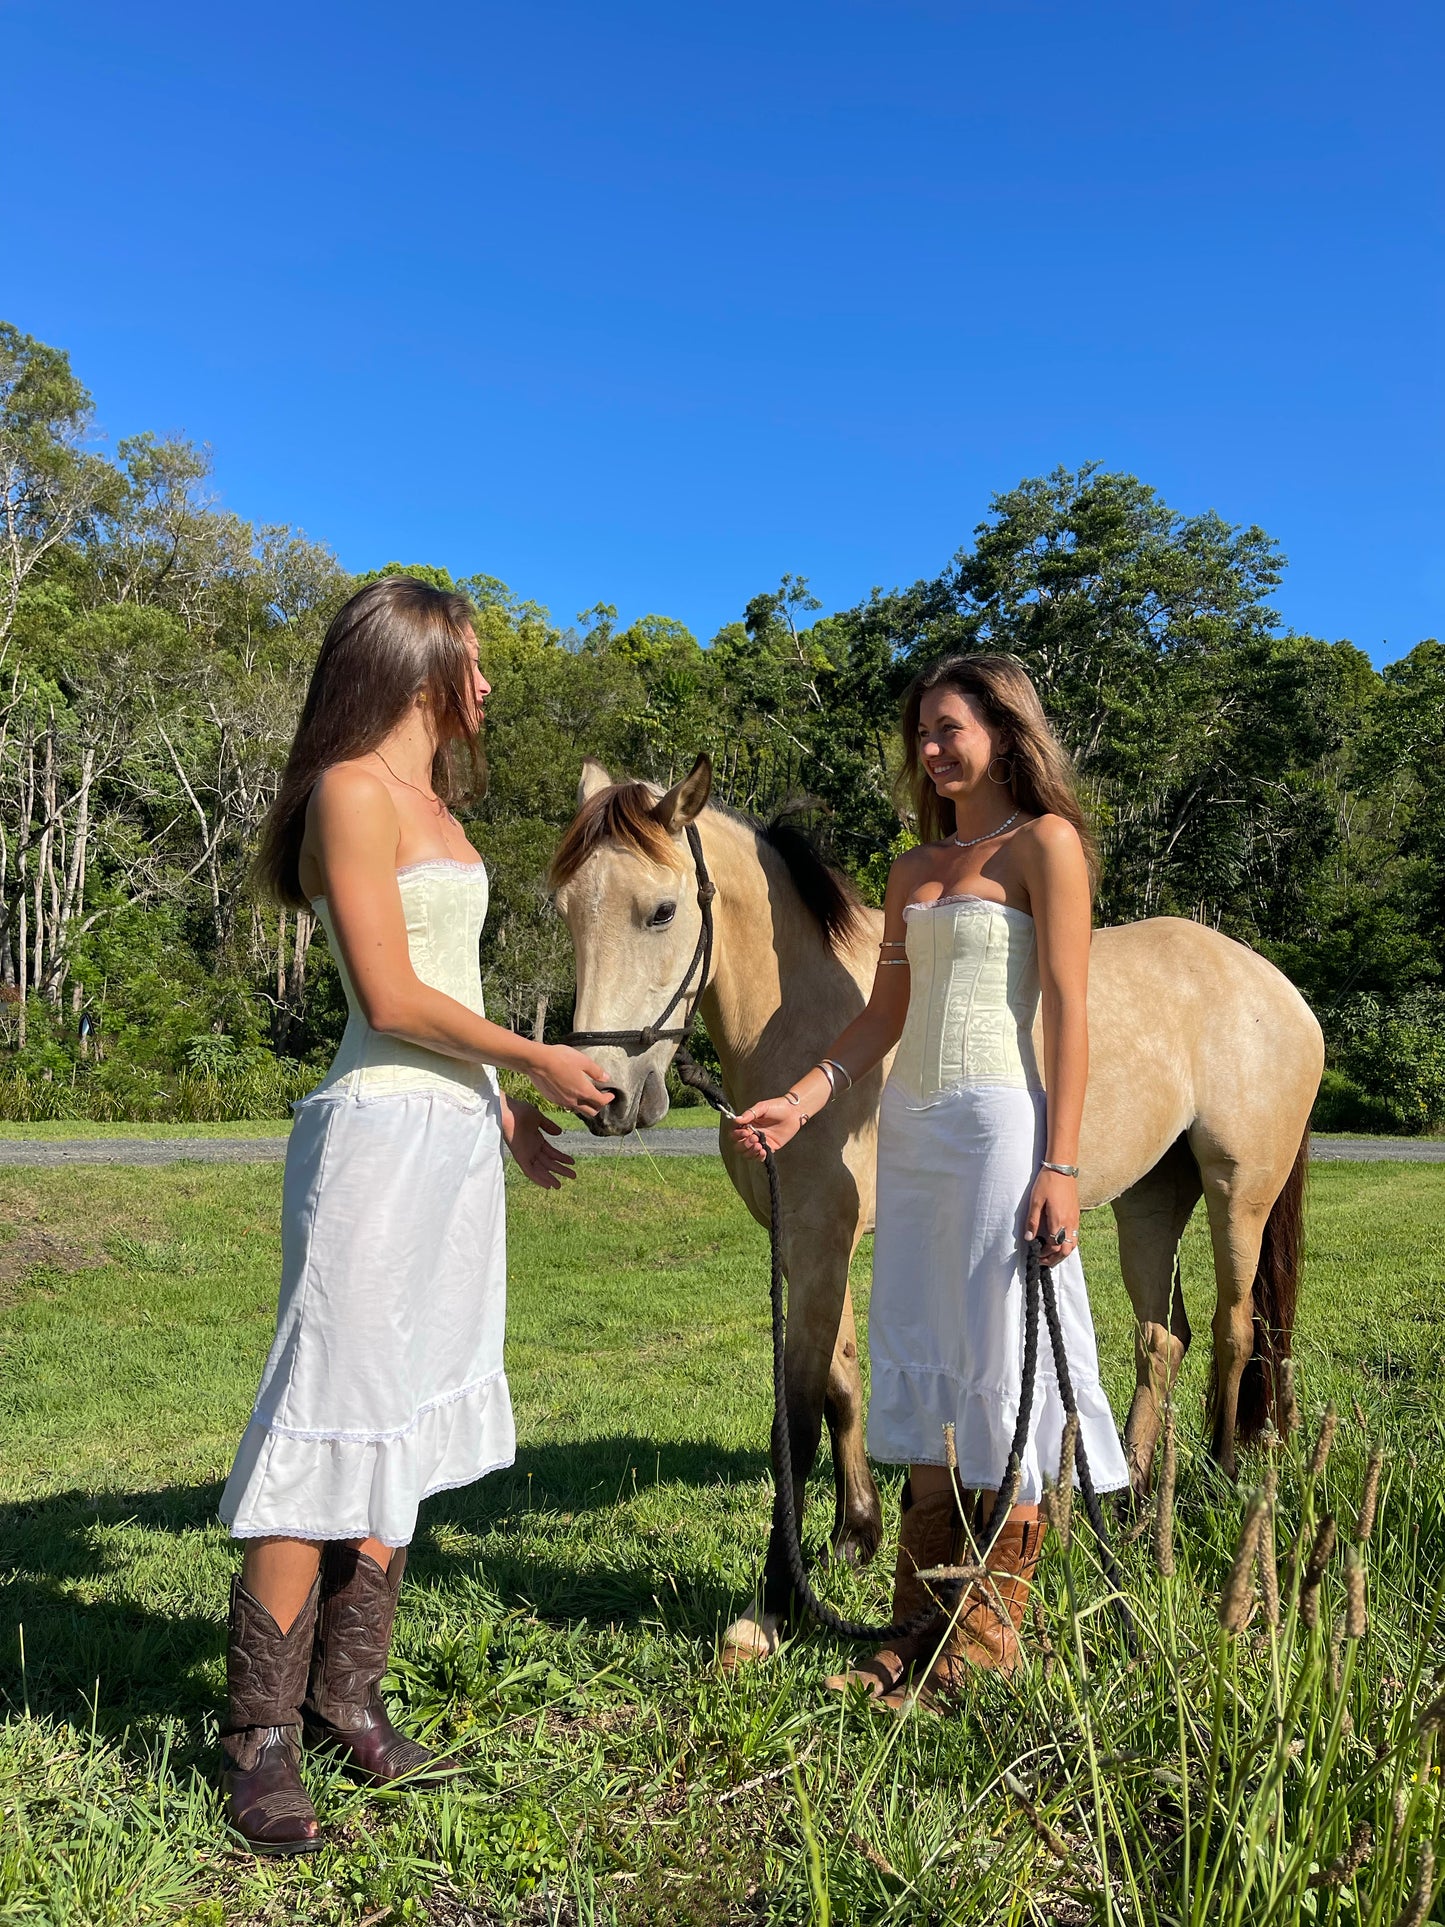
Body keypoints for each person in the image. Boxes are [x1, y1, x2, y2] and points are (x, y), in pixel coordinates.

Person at [216, 577, 614, 1852]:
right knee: (327, 1409)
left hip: (448, 1140)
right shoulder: (349, 789)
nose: (488, 687)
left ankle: (348, 1700)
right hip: (375, 1135)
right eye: (474, 664)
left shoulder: (438, 806)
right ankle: (259, 1739)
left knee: (399, 1416)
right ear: (417, 663)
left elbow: (447, 982)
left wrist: (502, 1111)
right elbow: (389, 996)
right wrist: (540, 1058)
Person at [730, 653, 1128, 1710]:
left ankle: (985, 1635)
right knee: (918, 1348)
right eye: (921, 734)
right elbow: (880, 1021)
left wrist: (1060, 1161)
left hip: (1003, 1124)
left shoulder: (1046, 847)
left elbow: (1070, 1014)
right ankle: (919, 1615)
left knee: (998, 1353)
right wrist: (804, 1098)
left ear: (1004, 728)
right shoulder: (912, 870)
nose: (932, 749)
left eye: (949, 728)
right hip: (913, 1127)